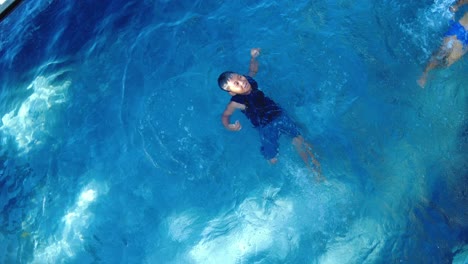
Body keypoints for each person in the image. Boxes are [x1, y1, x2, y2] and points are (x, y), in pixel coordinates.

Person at [217, 48, 324, 181]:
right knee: (272, 157)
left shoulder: (248, 81)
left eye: (240, 77)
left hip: (279, 115)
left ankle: (315, 170)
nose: (242, 81)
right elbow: (225, 116)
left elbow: (252, 71)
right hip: (266, 127)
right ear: (232, 92)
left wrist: (253, 58)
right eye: (236, 84)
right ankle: (272, 159)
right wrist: (229, 126)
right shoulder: (236, 102)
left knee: (298, 139)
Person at [417, 0, 468, 88]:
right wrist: (457, 5)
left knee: (446, 63)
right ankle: (424, 74)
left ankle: (430, 71)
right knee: (443, 52)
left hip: (466, 42)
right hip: (460, 29)